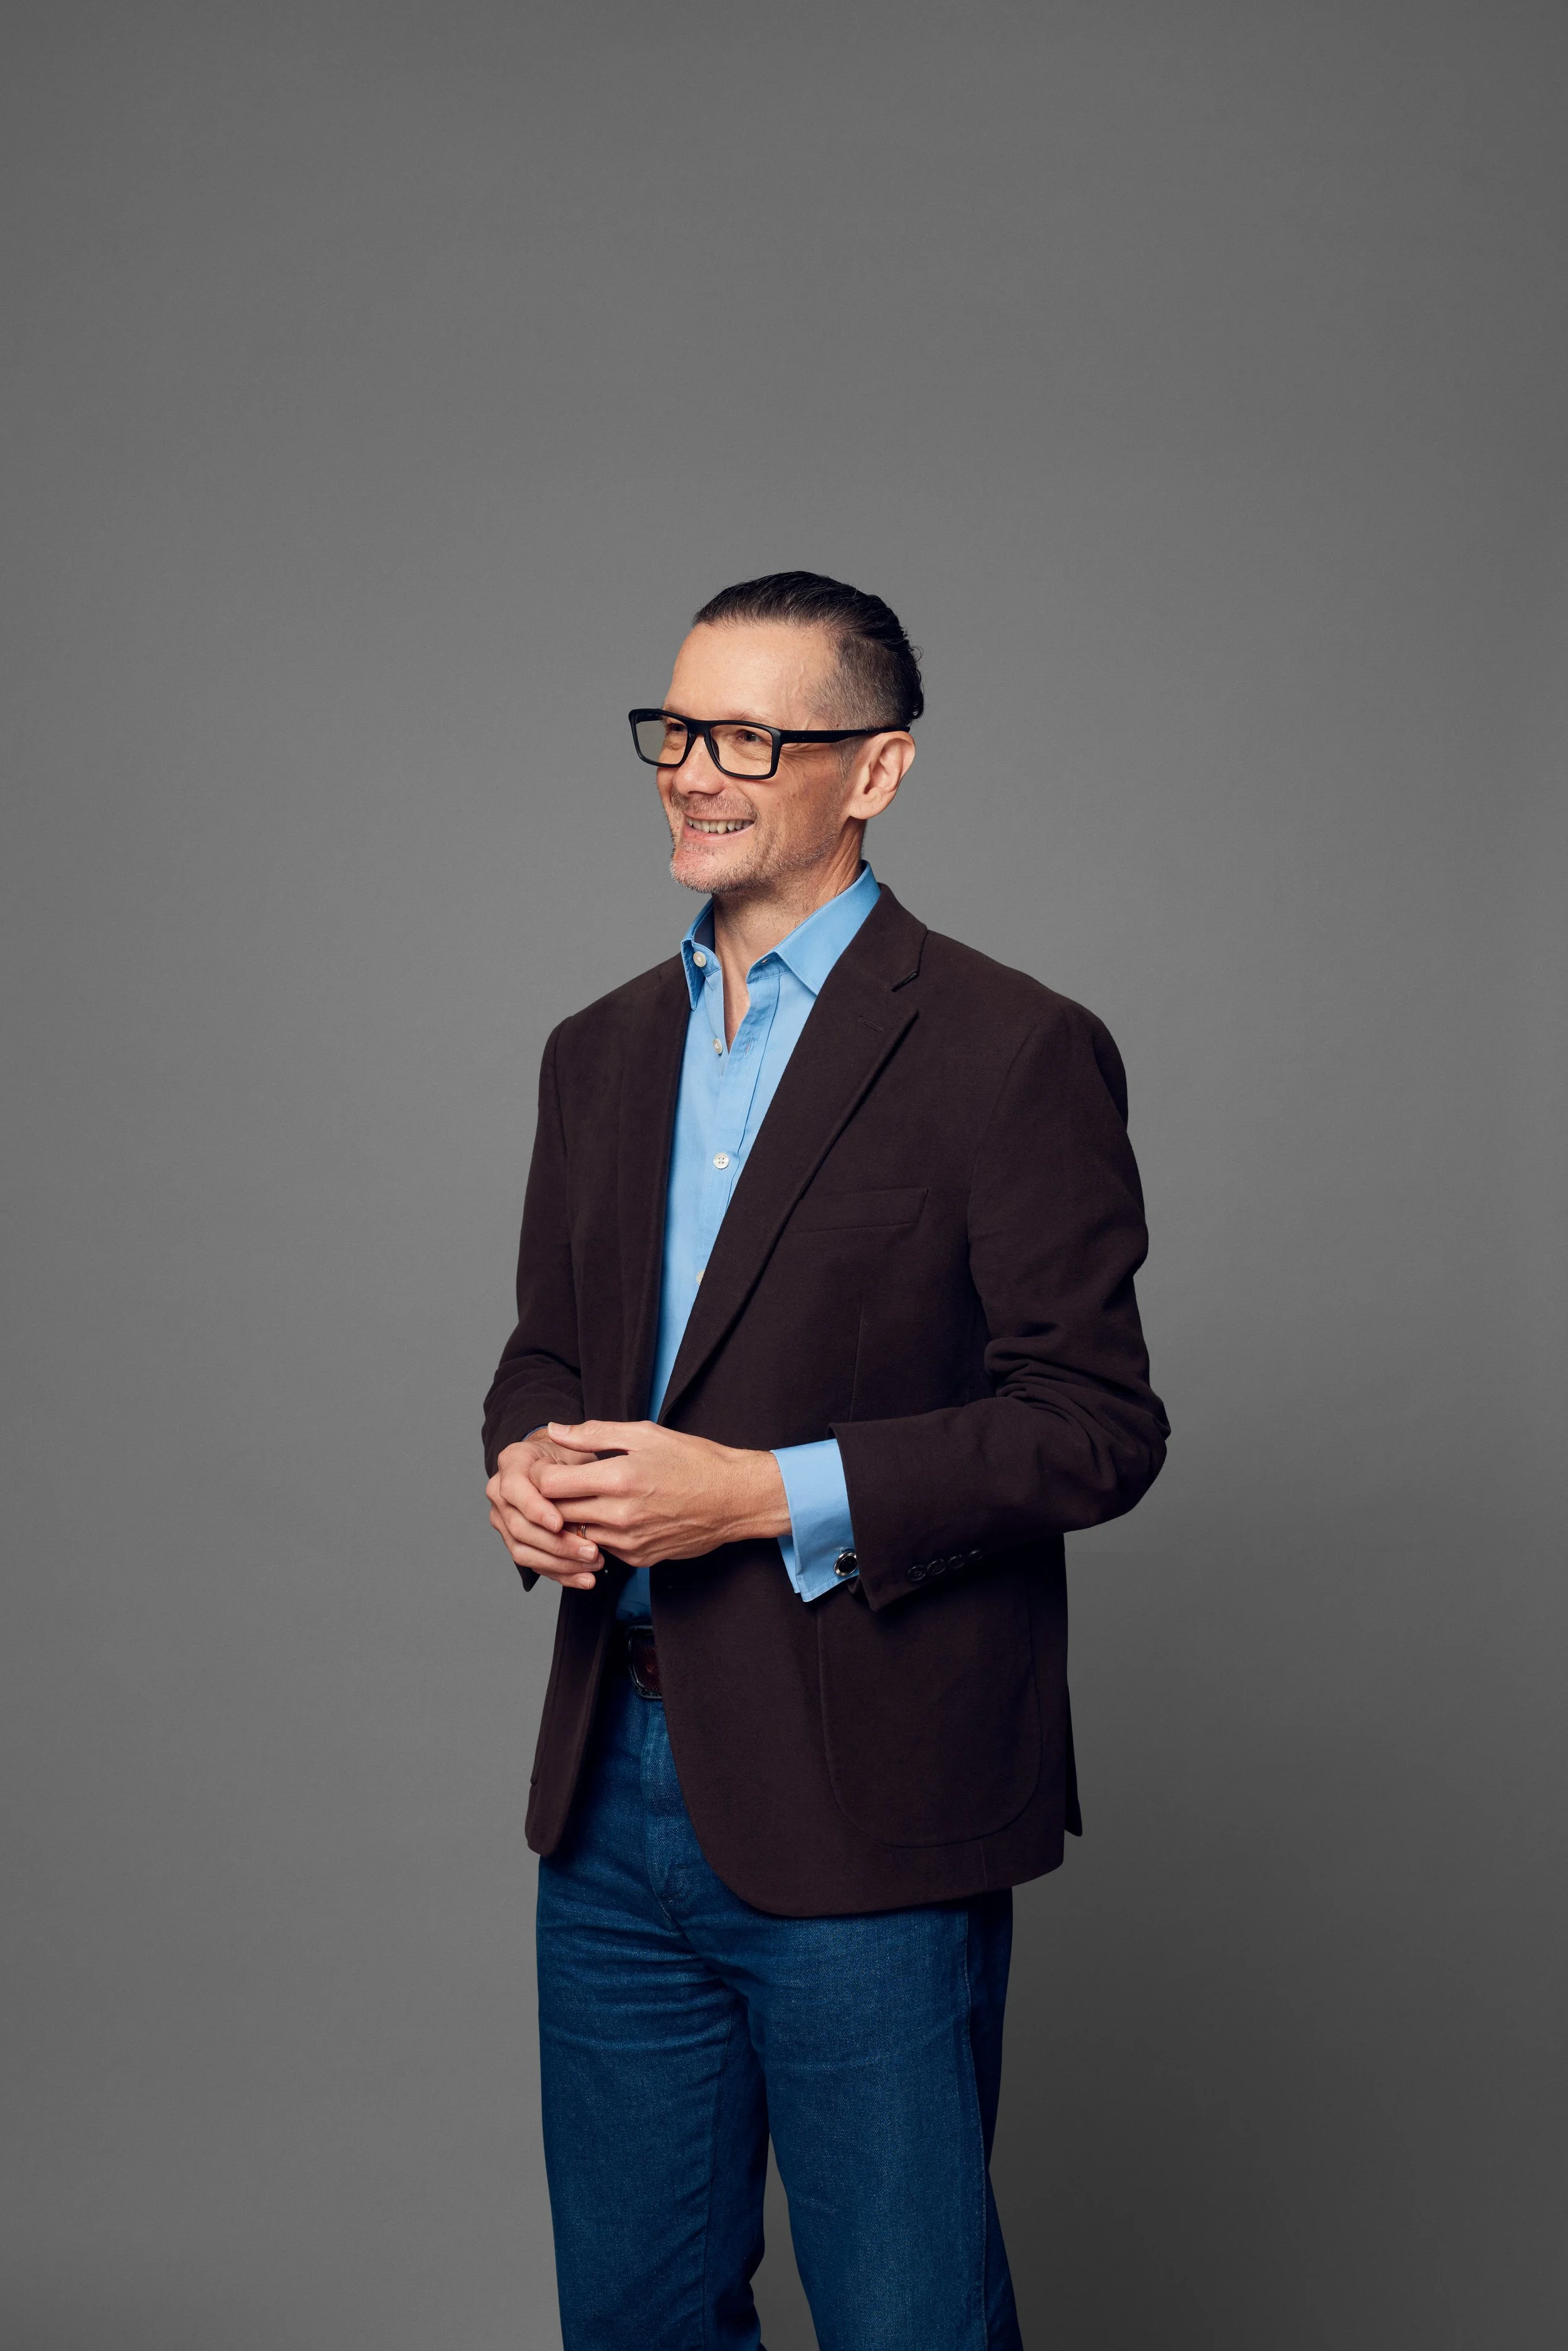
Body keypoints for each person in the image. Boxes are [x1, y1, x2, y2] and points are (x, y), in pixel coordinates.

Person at [483, 570, 1168, 2350]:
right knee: (633, 2319)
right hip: (607, 1790)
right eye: (674, 730)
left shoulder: (1012, 1049)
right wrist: (527, 1461)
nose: (691, 771)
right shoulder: (594, 1055)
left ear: (876, 770)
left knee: (906, 2318)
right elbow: (552, 1351)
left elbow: (1094, 1423)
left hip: (876, 1790)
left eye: (746, 737)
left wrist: (762, 1494)